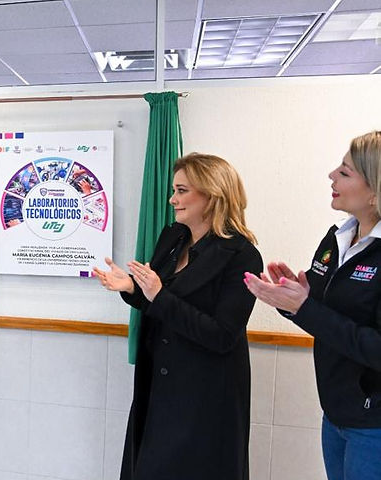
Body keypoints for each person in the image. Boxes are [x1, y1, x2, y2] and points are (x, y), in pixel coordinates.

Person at [94, 153, 263, 480]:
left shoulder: (242, 255)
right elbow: (159, 304)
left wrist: (157, 294)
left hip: (204, 395)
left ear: (213, 195)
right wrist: (132, 288)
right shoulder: (173, 238)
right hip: (158, 384)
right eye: (174, 190)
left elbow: (222, 335)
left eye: (182, 191)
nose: (172, 199)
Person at [246, 131, 381, 480]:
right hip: (335, 414)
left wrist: (306, 307)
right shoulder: (337, 238)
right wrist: (291, 299)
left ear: (375, 190)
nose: (331, 175)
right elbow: (323, 315)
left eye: (345, 172)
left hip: (374, 425)